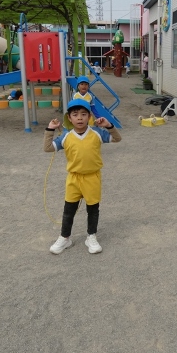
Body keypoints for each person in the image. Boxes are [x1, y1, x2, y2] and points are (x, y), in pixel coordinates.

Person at [44, 99, 122, 255]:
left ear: (89, 117)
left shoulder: (97, 133)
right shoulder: (66, 136)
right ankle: (64, 238)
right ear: (69, 118)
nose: (79, 118)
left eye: (83, 114)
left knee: (93, 209)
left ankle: (91, 237)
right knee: (68, 210)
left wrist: (108, 125)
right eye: (75, 114)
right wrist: (50, 130)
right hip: (73, 179)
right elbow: (47, 148)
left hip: (92, 178)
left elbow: (117, 138)